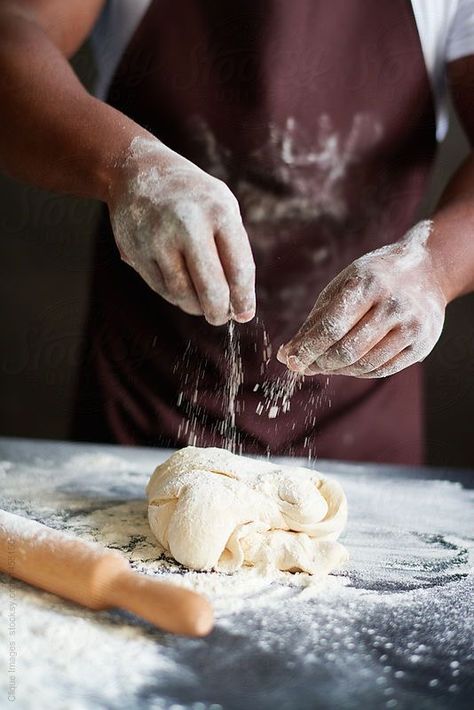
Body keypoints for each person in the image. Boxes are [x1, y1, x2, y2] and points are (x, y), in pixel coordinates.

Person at [1, 0, 474, 464]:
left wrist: (435, 267)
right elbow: (12, 35)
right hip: (140, 422)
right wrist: (129, 167)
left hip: (362, 438)